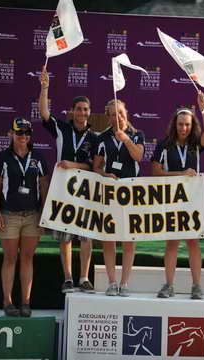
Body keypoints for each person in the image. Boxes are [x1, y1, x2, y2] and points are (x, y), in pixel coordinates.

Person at [39, 66, 98, 294]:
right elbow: (44, 113)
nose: (82, 113)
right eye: (79, 109)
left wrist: (72, 165)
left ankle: (84, 277)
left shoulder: (94, 137)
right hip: (63, 190)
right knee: (65, 236)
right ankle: (68, 279)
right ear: (72, 112)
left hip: (85, 190)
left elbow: (93, 167)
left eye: (86, 109)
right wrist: (45, 87)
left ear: (89, 112)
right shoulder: (62, 128)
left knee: (85, 236)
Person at [151, 91, 204, 300]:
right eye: (180, 124)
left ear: (192, 125)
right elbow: (156, 172)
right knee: (172, 243)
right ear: (174, 124)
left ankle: (197, 286)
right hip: (171, 199)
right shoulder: (164, 145)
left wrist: (203, 108)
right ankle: (168, 285)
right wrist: (181, 174)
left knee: (193, 243)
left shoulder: (196, 143)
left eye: (187, 124)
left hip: (192, 200)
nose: (184, 128)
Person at [0, 117, 49, 317]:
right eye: (19, 132)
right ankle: (7, 302)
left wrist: (44, 213)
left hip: (32, 216)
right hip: (9, 215)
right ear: (11, 134)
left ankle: (25, 302)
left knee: (27, 258)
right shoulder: (3, 157)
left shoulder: (38, 157)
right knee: (10, 258)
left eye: (26, 133)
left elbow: (44, 185)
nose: (23, 136)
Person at [93, 99, 145, 297]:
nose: (118, 117)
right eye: (113, 114)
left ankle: (124, 283)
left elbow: (139, 157)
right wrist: (105, 175)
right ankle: (112, 282)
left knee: (129, 239)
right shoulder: (102, 138)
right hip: (110, 194)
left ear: (127, 112)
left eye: (121, 112)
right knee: (110, 238)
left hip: (131, 193)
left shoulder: (137, 134)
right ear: (108, 117)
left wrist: (126, 139)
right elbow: (96, 166)